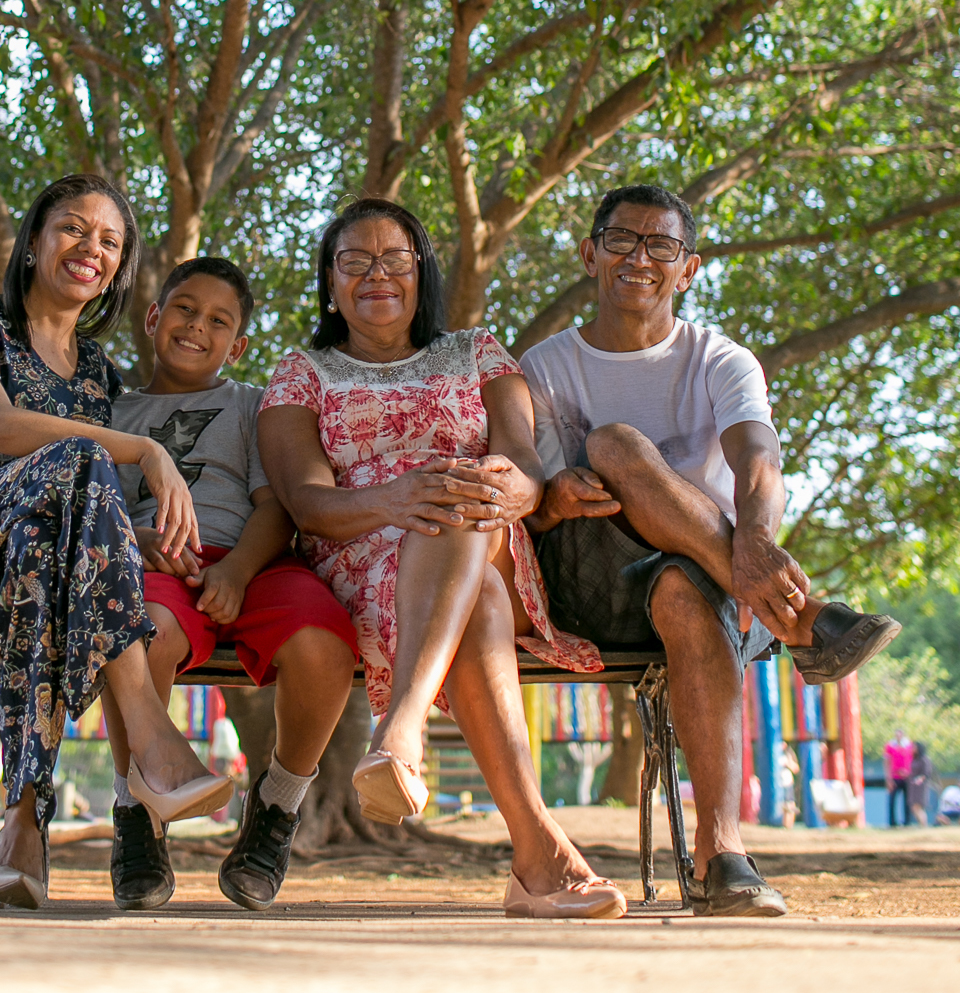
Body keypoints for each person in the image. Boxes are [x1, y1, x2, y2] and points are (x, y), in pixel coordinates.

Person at [522, 183, 900, 918]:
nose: (640, 257)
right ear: (589, 254)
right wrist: (558, 494)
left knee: (684, 590)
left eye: (660, 245)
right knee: (613, 443)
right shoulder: (544, 365)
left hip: (709, 590)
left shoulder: (721, 358)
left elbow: (758, 460)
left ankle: (723, 854)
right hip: (589, 583)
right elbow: (531, 499)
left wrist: (756, 539)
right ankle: (803, 620)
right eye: (622, 240)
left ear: (687, 269)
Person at [259, 197, 627, 920]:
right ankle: (539, 858)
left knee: (455, 505)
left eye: (395, 258)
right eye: (354, 262)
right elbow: (306, 504)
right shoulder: (302, 373)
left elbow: (524, 465)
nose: (377, 275)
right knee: (474, 589)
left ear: (421, 271)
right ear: (329, 282)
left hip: (489, 536)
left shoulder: (478, 352)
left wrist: (506, 488)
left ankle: (400, 728)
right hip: (364, 567)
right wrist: (396, 499)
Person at [0, 174, 220, 909]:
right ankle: (152, 738)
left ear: (119, 271)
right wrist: (143, 451)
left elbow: (83, 515)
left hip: (34, 591)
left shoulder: (97, 374)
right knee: (80, 458)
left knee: (39, 544)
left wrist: (142, 542)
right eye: (73, 228)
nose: (89, 248)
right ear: (34, 240)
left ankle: (24, 823)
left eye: (109, 241)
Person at [100, 256, 359, 912]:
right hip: (148, 566)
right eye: (184, 309)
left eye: (219, 321)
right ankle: (139, 809)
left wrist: (239, 570)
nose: (197, 327)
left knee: (323, 643)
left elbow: (277, 506)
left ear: (237, 345)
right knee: (139, 633)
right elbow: (88, 511)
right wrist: (138, 543)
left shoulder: (250, 404)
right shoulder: (110, 411)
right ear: (154, 317)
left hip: (252, 560)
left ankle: (276, 805)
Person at [885, 728, 913, 826]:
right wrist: (888, 778)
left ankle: (907, 822)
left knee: (907, 801)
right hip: (894, 777)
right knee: (892, 801)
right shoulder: (890, 746)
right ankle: (892, 822)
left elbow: (912, 760)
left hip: (906, 777)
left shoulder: (909, 745)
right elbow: (887, 762)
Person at [908, 740, 932, 825]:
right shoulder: (914, 759)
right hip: (913, 786)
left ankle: (923, 825)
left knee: (918, 806)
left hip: (920, 786)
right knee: (913, 807)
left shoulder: (924, 759)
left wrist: (920, 779)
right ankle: (921, 824)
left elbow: (926, 773)